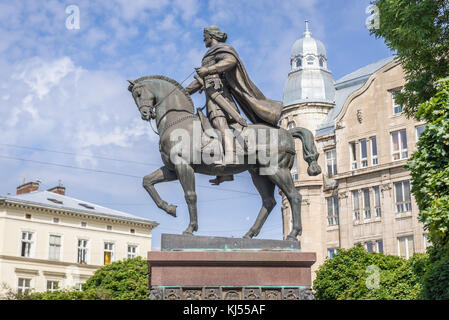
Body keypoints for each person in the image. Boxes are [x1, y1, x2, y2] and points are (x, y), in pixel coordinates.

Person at [185, 25, 282, 185]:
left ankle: (230, 156)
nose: (203, 39)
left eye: (205, 35)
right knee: (210, 129)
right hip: (211, 93)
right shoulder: (209, 54)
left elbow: (230, 61)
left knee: (219, 123)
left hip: (220, 95)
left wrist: (208, 70)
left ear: (211, 35)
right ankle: (226, 174)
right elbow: (199, 82)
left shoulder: (223, 49)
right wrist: (182, 92)